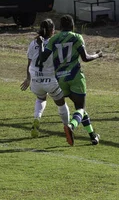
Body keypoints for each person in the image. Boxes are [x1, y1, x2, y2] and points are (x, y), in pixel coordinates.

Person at [39, 14, 103, 146]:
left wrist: (41, 45)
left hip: (61, 79)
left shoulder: (54, 39)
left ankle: (92, 136)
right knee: (80, 108)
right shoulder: (76, 37)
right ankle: (71, 126)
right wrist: (98, 55)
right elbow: (85, 58)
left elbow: (43, 58)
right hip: (75, 77)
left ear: (61, 26)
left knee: (80, 110)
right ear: (73, 26)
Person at [20, 18, 74, 143]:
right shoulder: (54, 43)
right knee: (61, 103)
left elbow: (29, 63)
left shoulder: (33, 43)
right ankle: (67, 127)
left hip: (35, 79)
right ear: (51, 30)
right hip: (50, 79)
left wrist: (28, 78)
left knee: (40, 98)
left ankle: (37, 118)